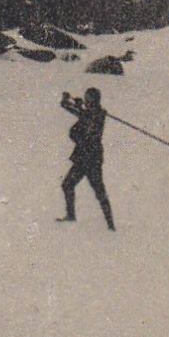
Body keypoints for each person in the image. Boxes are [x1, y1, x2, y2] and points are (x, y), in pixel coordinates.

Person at [58, 87, 115, 231]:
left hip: (87, 158)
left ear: (93, 101)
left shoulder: (95, 115)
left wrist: (73, 105)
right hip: (89, 157)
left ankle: (110, 224)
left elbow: (83, 118)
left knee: (94, 189)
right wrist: (72, 104)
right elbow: (80, 113)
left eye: (88, 99)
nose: (86, 101)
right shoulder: (94, 113)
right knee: (73, 186)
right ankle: (109, 224)